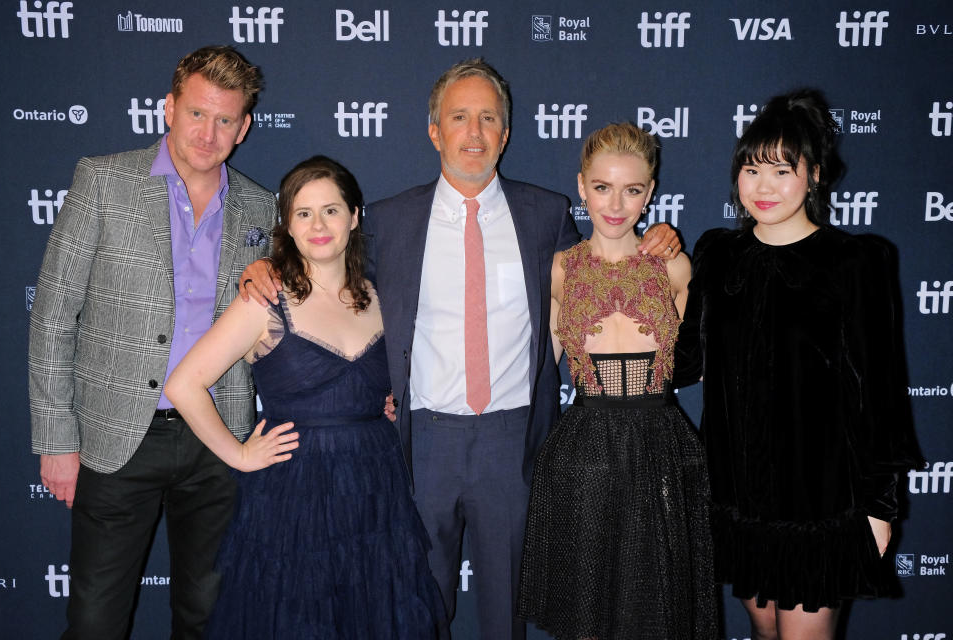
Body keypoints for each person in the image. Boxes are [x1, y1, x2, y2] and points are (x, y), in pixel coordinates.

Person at [239, 59, 680, 639]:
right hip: (421, 445)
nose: (474, 133)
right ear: (433, 131)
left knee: (508, 612)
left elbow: (603, 266)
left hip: (513, 442)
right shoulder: (391, 222)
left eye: (488, 119)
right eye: (459, 117)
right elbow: (329, 276)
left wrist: (659, 236)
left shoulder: (545, 215)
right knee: (420, 605)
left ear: (506, 132)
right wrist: (265, 266)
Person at [28, 46, 277, 639]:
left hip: (218, 440)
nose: (208, 133)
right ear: (168, 108)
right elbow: (53, 315)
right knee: (94, 621)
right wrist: (56, 438)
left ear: (244, 127)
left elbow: (280, 327)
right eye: (196, 113)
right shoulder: (103, 181)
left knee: (209, 617)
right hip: (115, 436)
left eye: (225, 120)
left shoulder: (262, 207)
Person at [674, 89, 924, 640]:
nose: (763, 187)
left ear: (814, 175)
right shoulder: (717, 253)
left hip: (819, 503)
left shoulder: (855, 262)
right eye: (751, 168)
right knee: (764, 632)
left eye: (783, 170)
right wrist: (645, 274)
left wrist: (881, 508)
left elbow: (878, 395)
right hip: (738, 498)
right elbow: (683, 363)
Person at [164, 156, 446, 639]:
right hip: (293, 496)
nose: (319, 225)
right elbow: (183, 384)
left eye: (331, 211)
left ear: (355, 216)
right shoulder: (263, 301)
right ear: (287, 226)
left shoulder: (382, 296)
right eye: (304, 213)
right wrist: (239, 454)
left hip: (375, 489)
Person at [516, 123, 717, 639]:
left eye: (632, 190)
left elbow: (702, 358)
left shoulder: (674, 268)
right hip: (584, 449)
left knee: (656, 608)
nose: (615, 204)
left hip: (661, 447)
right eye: (602, 187)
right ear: (581, 187)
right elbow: (537, 363)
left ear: (649, 194)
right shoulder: (561, 268)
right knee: (589, 609)